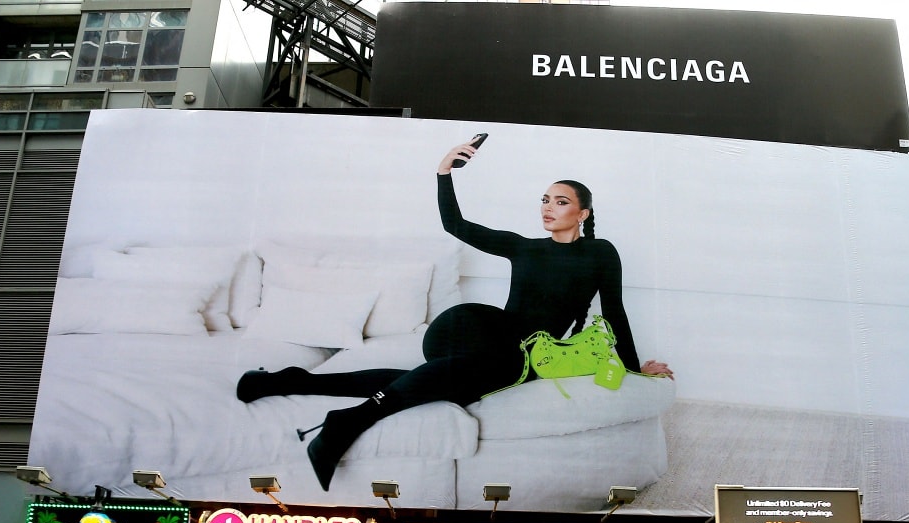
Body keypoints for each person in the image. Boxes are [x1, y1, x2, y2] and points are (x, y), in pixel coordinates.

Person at [236, 137, 673, 491]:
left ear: (583, 213)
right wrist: (443, 172)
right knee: (471, 374)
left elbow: (615, 312)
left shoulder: (601, 254)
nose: (547, 207)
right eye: (544, 200)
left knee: (453, 381)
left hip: (514, 352)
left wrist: (634, 370)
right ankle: (346, 423)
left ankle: (285, 383)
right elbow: (456, 226)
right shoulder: (524, 246)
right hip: (473, 328)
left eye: (559, 202)